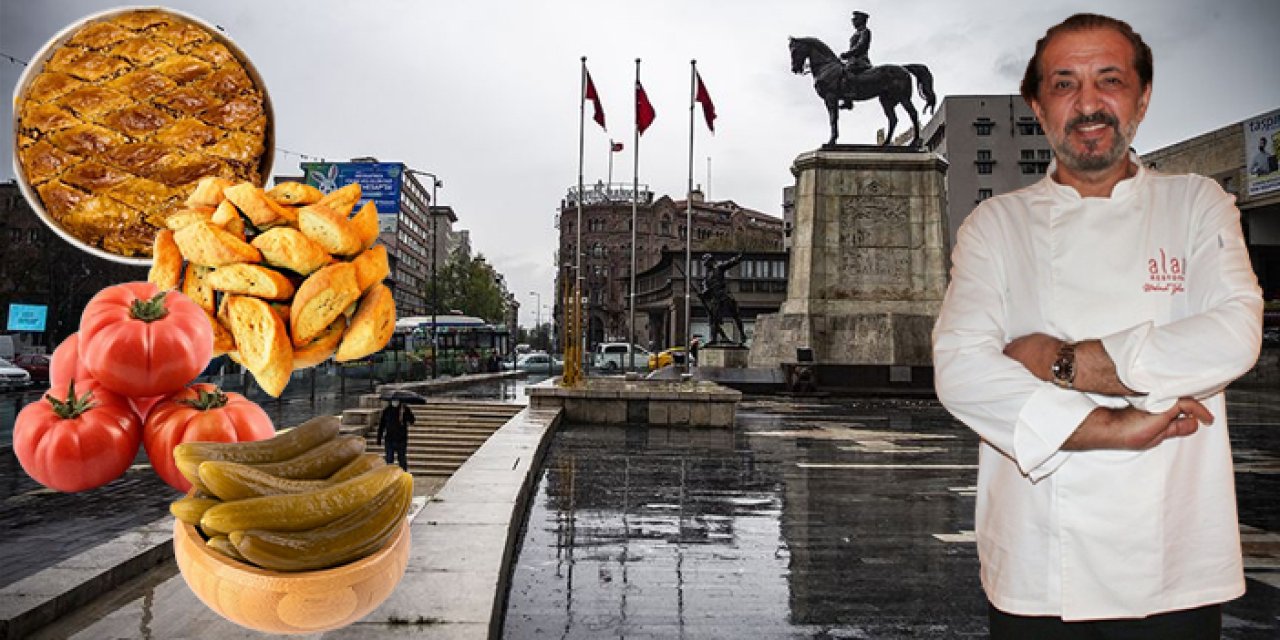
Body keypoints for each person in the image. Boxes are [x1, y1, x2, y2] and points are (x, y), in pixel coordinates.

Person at [932, 13, 1262, 639]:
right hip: (1038, 563)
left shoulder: (1197, 204)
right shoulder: (994, 227)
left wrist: (1065, 363)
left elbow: (1233, 333)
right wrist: (1113, 426)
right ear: (1037, 104)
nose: (1088, 104)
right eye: (1064, 84)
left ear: (1142, 98)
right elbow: (961, 369)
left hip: (1175, 559)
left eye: (1109, 80)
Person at [700, 253, 746, 345]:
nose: (706, 265)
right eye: (705, 264)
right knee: (713, 319)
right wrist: (703, 293)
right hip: (715, 299)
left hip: (725, 295)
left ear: (711, 261)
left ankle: (742, 334)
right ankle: (713, 339)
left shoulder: (719, 268)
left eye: (707, 263)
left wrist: (737, 258)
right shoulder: (706, 277)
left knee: (735, 315)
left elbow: (729, 263)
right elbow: (705, 289)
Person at [838, 11, 872, 109]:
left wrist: (847, 54)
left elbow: (861, 46)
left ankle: (849, 97)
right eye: (853, 20)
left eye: (855, 19)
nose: (853, 21)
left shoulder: (865, 31)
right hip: (852, 60)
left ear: (862, 20)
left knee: (846, 71)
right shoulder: (856, 33)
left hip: (860, 60)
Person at [377, 398, 415, 471]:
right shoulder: (387, 410)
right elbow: (382, 425)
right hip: (389, 439)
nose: (395, 402)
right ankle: (389, 477)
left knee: (402, 459)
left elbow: (412, 421)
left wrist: (406, 414)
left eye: (397, 400)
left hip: (401, 439)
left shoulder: (405, 409)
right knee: (389, 459)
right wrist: (379, 438)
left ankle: (404, 476)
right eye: (394, 400)